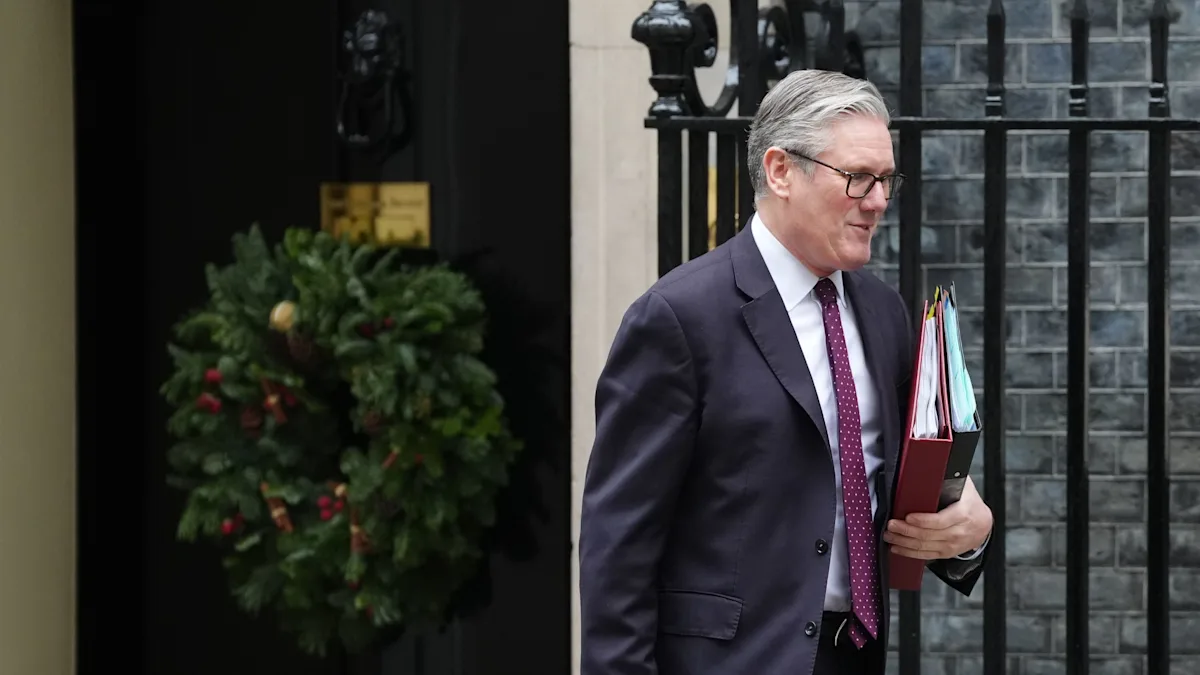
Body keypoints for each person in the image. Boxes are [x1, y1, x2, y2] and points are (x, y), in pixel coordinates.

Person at [577, 70, 994, 675]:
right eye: (857, 177)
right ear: (780, 171)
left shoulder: (883, 314)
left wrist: (971, 529)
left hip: (852, 656)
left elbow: (908, 492)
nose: (877, 201)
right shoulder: (678, 318)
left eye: (885, 180)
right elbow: (619, 547)